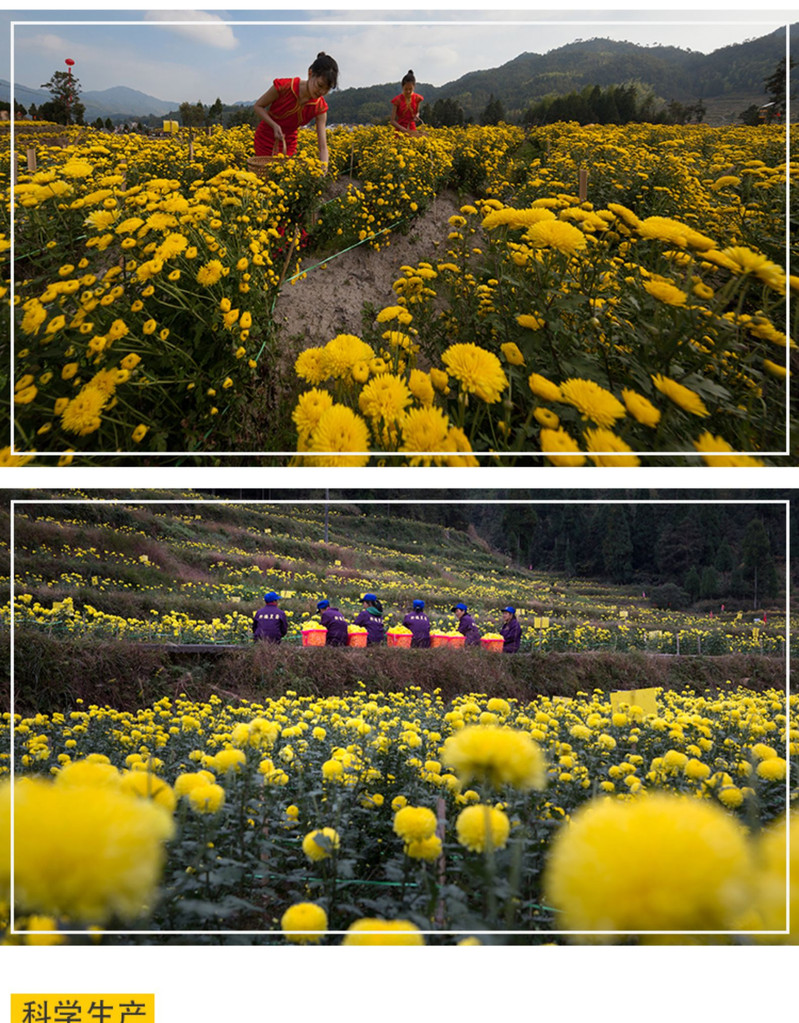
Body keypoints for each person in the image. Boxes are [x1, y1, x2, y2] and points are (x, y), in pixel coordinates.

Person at [253, 52, 338, 167]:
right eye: (320, 85)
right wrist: (274, 125)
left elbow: (323, 146)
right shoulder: (284, 87)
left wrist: (323, 170)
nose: (321, 92)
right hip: (265, 140)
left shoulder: (319, 107)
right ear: (310, 73)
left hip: (288, 145)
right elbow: (258, 106)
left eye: (327, 89)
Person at [390, 70, 424, 135]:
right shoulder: (397, 100)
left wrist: (417, 116)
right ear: (402, 87)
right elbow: (392, 121)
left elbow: (417, 112)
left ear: (414, 87)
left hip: (412, 129)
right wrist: (402, 129)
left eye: (410, 89)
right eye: (406, 89)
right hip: (400, 130)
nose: (408, 91)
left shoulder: (417, 98)